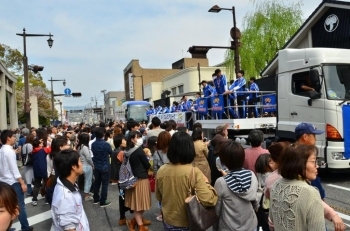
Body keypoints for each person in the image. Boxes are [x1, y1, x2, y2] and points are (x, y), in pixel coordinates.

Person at [156, 132, 218, 230]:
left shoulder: (161, 170)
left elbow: (159, 196)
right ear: (189, 149)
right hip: (188, 222)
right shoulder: (194, 172)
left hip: (168, 220)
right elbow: (209, 199)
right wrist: (206, 182)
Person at [269, 144, 325, 231]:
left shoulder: (276, 185)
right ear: (300, 164)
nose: (317, 166)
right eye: (314, 161)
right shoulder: (311, 193)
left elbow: (272, 220)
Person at [213, 141, 258, 231]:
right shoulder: (251, 175)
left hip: (229, 227)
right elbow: (255, 201)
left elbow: (217, 210)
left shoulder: (221, 182)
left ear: (224, 160)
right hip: (251, 225)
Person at [0, 130, 33, 231]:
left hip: (3, 181)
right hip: (13, 182)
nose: (15, 138)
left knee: (6, 205)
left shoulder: (2, 150)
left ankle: (7, 226)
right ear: (8, 138)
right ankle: (25, 227)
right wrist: (22, 182)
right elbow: (14, 169)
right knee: (19, 205)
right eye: (13, 136)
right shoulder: (9, 151)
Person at [52, 149, 90, 231]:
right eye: (80, 161)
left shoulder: (66, 183)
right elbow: (69, 228)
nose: (82, 164)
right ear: (74, 166)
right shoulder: (65, 197)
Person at [124, 131, 152, 231]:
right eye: (137, 137)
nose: (139, 138)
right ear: (132, 139)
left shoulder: (127, 151)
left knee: (137, 203)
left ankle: (135, 221)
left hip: (131, 179)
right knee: (142, 203)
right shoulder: (139, 150)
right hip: (141, 178)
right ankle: (140, 225)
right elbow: (147, 165)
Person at [91, 127, 113, 207]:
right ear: (103, 134)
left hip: (96, 166)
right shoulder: (106, 144)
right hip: (105, 166)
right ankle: (103, 201)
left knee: (97, 183)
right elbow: (111, 153)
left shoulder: (93, 144)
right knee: (104, 184)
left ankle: (96, 199)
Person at [31, 138, 50, 206]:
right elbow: (51, 148)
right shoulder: (44, 150)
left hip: (36, 169)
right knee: (47, 184)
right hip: (44, 169)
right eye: (41, 142)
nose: (42, 143)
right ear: (39, 144)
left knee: (37, 185)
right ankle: (47, 199)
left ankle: (34, 199)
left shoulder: (33, 151)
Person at [77, 133, 94, 201]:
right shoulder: (85, 147)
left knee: (86, 180)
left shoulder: (79, 146)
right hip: (87, 165)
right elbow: (88, 158)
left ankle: (87, 192)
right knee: (88, 181)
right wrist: (92, 164)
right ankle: (86, 195)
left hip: (82, 165)